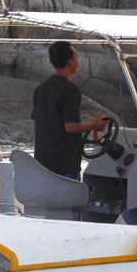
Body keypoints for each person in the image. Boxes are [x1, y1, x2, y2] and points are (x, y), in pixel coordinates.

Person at [31, 40, 109, 178]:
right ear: (70, 62)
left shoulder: (40, 89)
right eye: (76, 56)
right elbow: (71, 127)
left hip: (41, 164)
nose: (78, 60)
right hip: (64, 165)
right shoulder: (70, 91)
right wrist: (94, 125)